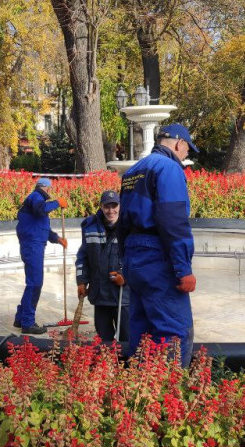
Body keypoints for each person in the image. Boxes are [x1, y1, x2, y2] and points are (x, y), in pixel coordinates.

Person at [118, 123, 198, 366]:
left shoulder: (133, 171)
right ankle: (169, 385)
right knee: (175, 330)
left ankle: (137, 384)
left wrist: (125, 261)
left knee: (141, 331)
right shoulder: (169, 168)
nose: (186, 155)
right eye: (187, 149)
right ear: (179, 144)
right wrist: (183, 269)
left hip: (135, 257)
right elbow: (173, 221)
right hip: (157, 257)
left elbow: (122, 223)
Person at [14, 177, 67, 335]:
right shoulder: (36, 196)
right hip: (32, 245)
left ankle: (20, 318)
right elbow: (40, 210)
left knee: (32, 283)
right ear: (46, 188)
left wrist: (57, 239)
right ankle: (28, 323)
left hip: (34, 244)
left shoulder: (37, 201)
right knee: (35, 284)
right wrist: (57, 202)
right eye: (50, 189)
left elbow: (42, 227)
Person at [75, 190, 130, 344]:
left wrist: (125, 275)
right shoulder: (90, 227)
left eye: (114, 206)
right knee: (104, 341)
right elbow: (83, 256)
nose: (111, 210)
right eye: (107, 206)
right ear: (101, 206)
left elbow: (136, 258)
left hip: (123, 296)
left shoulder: (129, 227)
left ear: (120, 206)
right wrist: (81, 281)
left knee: (127, 339)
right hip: (100, 295)